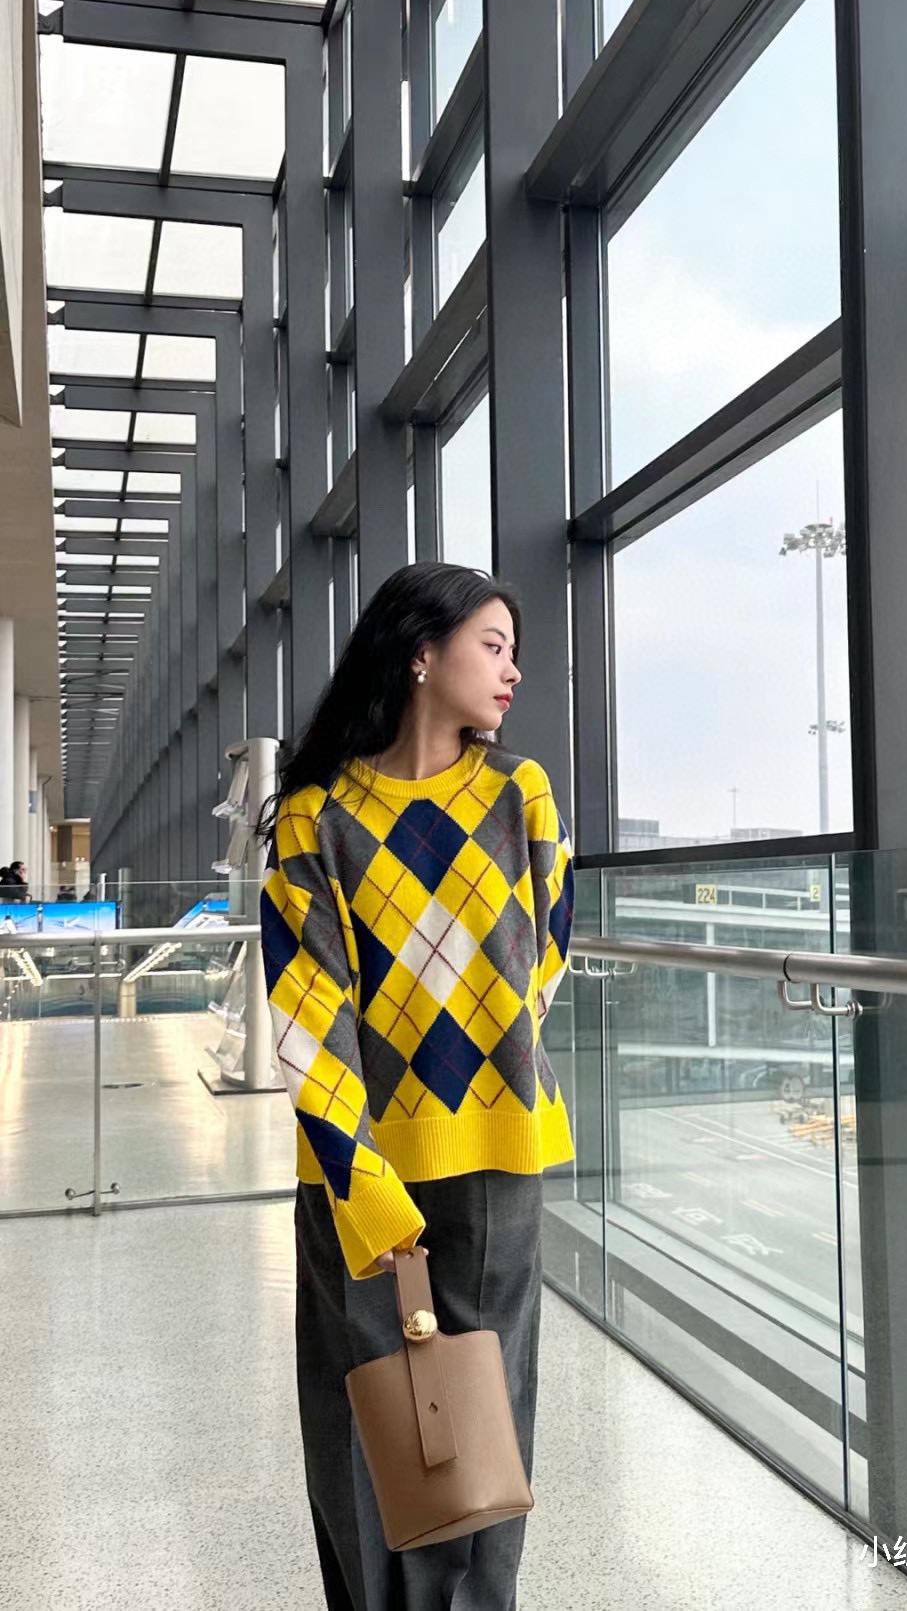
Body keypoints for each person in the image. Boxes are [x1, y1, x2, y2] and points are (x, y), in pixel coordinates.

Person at [259, 562, 575, 1611]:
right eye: (493, 645)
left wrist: (480, 1079)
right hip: (354, 1167)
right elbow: (306, 1012)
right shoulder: (315, 817)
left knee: (482, 1421)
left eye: (514, 651)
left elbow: (546, 956)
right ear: (421, 653)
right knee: (360, 1416)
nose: (512, 671)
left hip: (495, 1155)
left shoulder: (519, 794)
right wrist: (362, 1177)